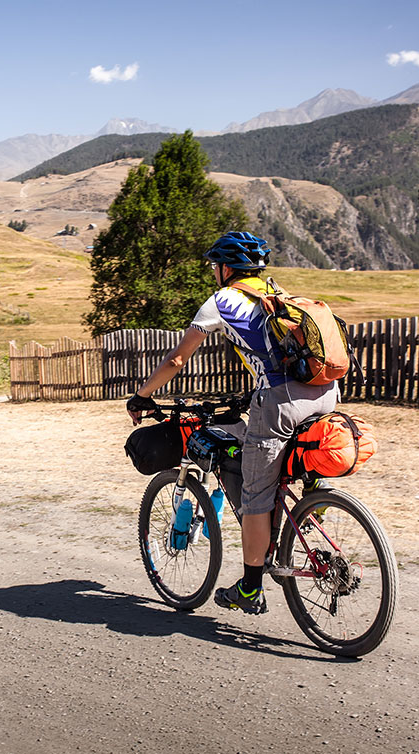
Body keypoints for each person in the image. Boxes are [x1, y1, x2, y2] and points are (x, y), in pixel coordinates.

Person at [127, 232, 338, 615]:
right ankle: (312, 498)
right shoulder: (275, 292)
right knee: (285, 448)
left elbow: (177, 359)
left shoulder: (222, 300)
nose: (213, 273)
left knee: (256, 496)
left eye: (214, 267)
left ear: (226, 268)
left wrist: (143, 395)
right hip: (325, 394)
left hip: (280, 402)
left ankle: (250, 588)